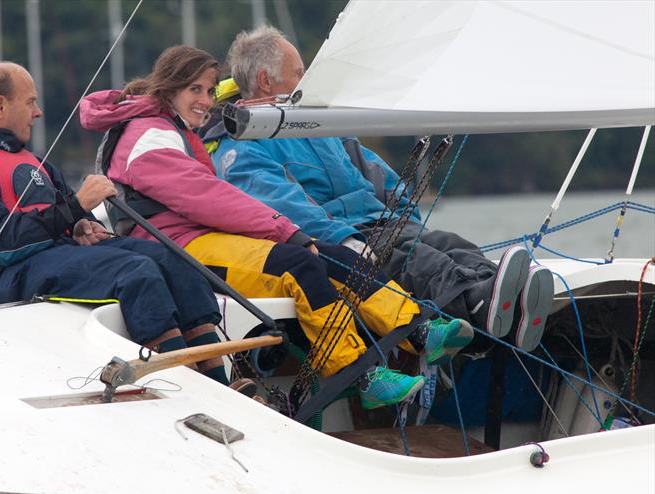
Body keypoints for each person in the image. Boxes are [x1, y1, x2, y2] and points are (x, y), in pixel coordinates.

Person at [80, 45, 476, 410]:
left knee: (333, 254)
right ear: (169, 89)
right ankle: (362, 376)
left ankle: (418, 330)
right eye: (195, 90)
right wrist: (283, 229)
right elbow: (204, 196)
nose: (206, 100)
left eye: (211, 90)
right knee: (298, 264)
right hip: (182, 250)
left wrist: (292, 233)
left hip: (204, 238)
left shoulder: (168, 127)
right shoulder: (150, 135)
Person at [205, 26, 555, 353]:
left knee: (447, 243)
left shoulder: (314, 124)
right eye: (299, 72)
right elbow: (285, 205)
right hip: (345, 237)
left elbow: (373, 169)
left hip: (379, 222)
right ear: (267, 80)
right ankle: (480, 309)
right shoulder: (241, 148)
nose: (305, 80)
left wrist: (405, 213)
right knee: (419, 261)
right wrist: (344, 238)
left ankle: (507, 296)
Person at [0, 61, 235, 386]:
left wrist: (81, 224)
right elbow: (0, 243)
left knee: (175, 259)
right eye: (30, 101)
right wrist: (75, 209)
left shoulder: (32, 160)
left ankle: (218, 381)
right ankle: (187, 386)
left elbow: (63, 214)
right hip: (7, 277)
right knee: (136, 271)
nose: (38, 111)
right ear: (0, 106)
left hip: (56, 257)